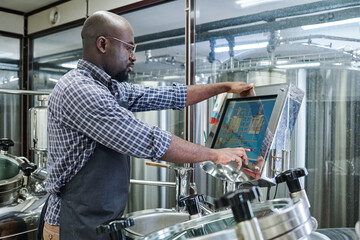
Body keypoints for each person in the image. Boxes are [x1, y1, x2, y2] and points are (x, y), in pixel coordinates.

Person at [41, 11, 255, 240]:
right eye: (129, 48)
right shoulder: (81, 91)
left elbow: (168, 95)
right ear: (102, 44)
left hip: (96, 222)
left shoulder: (107, 87)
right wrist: (214, 154)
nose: (133, 57)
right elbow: (149, 140)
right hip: (72, 225)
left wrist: (224, 87)